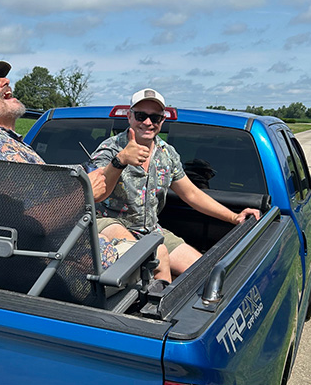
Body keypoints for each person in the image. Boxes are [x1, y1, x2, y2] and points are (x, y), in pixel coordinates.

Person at [0, 62, 172, 282]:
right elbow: (26, 226)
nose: (5, 81)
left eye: (2, 77)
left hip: (65, 259)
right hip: (78, 273)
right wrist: (85, 195)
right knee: (159, 253)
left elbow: (26, 211)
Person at [91, 88, 261, 276]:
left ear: (162, 121)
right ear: (130, 117)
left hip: (150, 231)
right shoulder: (110, 149)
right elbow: (96, 193)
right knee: (148, 263)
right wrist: (120, 161)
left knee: (203, 273)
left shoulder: (167, 154)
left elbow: (191, 194)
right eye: (140, 116)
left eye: (155, 118)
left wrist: (234, 217)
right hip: (111, 225)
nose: (147, 122)